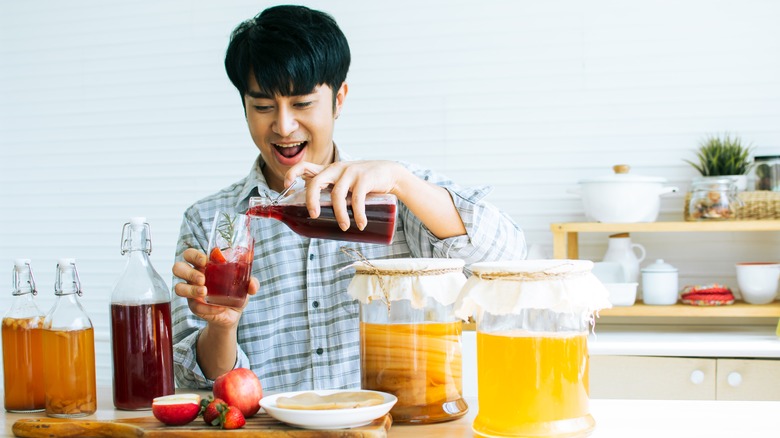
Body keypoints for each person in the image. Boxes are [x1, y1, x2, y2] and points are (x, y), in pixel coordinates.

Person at [171, 5, 526, 392]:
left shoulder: (396, 193)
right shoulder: (211, 221)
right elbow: (195, 380)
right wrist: (222, 325)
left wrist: (401, 182)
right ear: (243, 106)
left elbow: (508, 263)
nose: (284, 126)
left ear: (339, 99)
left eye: (303, 103)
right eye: (263, 106)